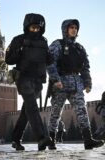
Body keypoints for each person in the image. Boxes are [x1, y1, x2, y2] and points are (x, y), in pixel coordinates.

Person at [46, 19, 104, 150]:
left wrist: (87, 83)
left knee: (82, 111)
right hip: (60, 84)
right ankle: (51, 140)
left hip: (76, 84)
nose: (74, 30)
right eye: (71, 27)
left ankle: (88, 140)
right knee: (55, 113)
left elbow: (85, 67)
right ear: (65, 29)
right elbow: (50, 62)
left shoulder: (79, 48)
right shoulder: (57, 44)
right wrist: (55, 80)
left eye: (76, 28)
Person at [5, 13, 53, 151]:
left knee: (27, 111)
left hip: (38, 80)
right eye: (33, 27)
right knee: (32, 106)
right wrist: (18, 53)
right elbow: (8, 59)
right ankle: (42, 137)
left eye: (38, 28)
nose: (35, 30)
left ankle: (15, 139)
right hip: (23, 78)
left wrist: (50, 58)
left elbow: (49, 60)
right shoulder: (19, 40)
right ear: (27, 27)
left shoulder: (43, 42)